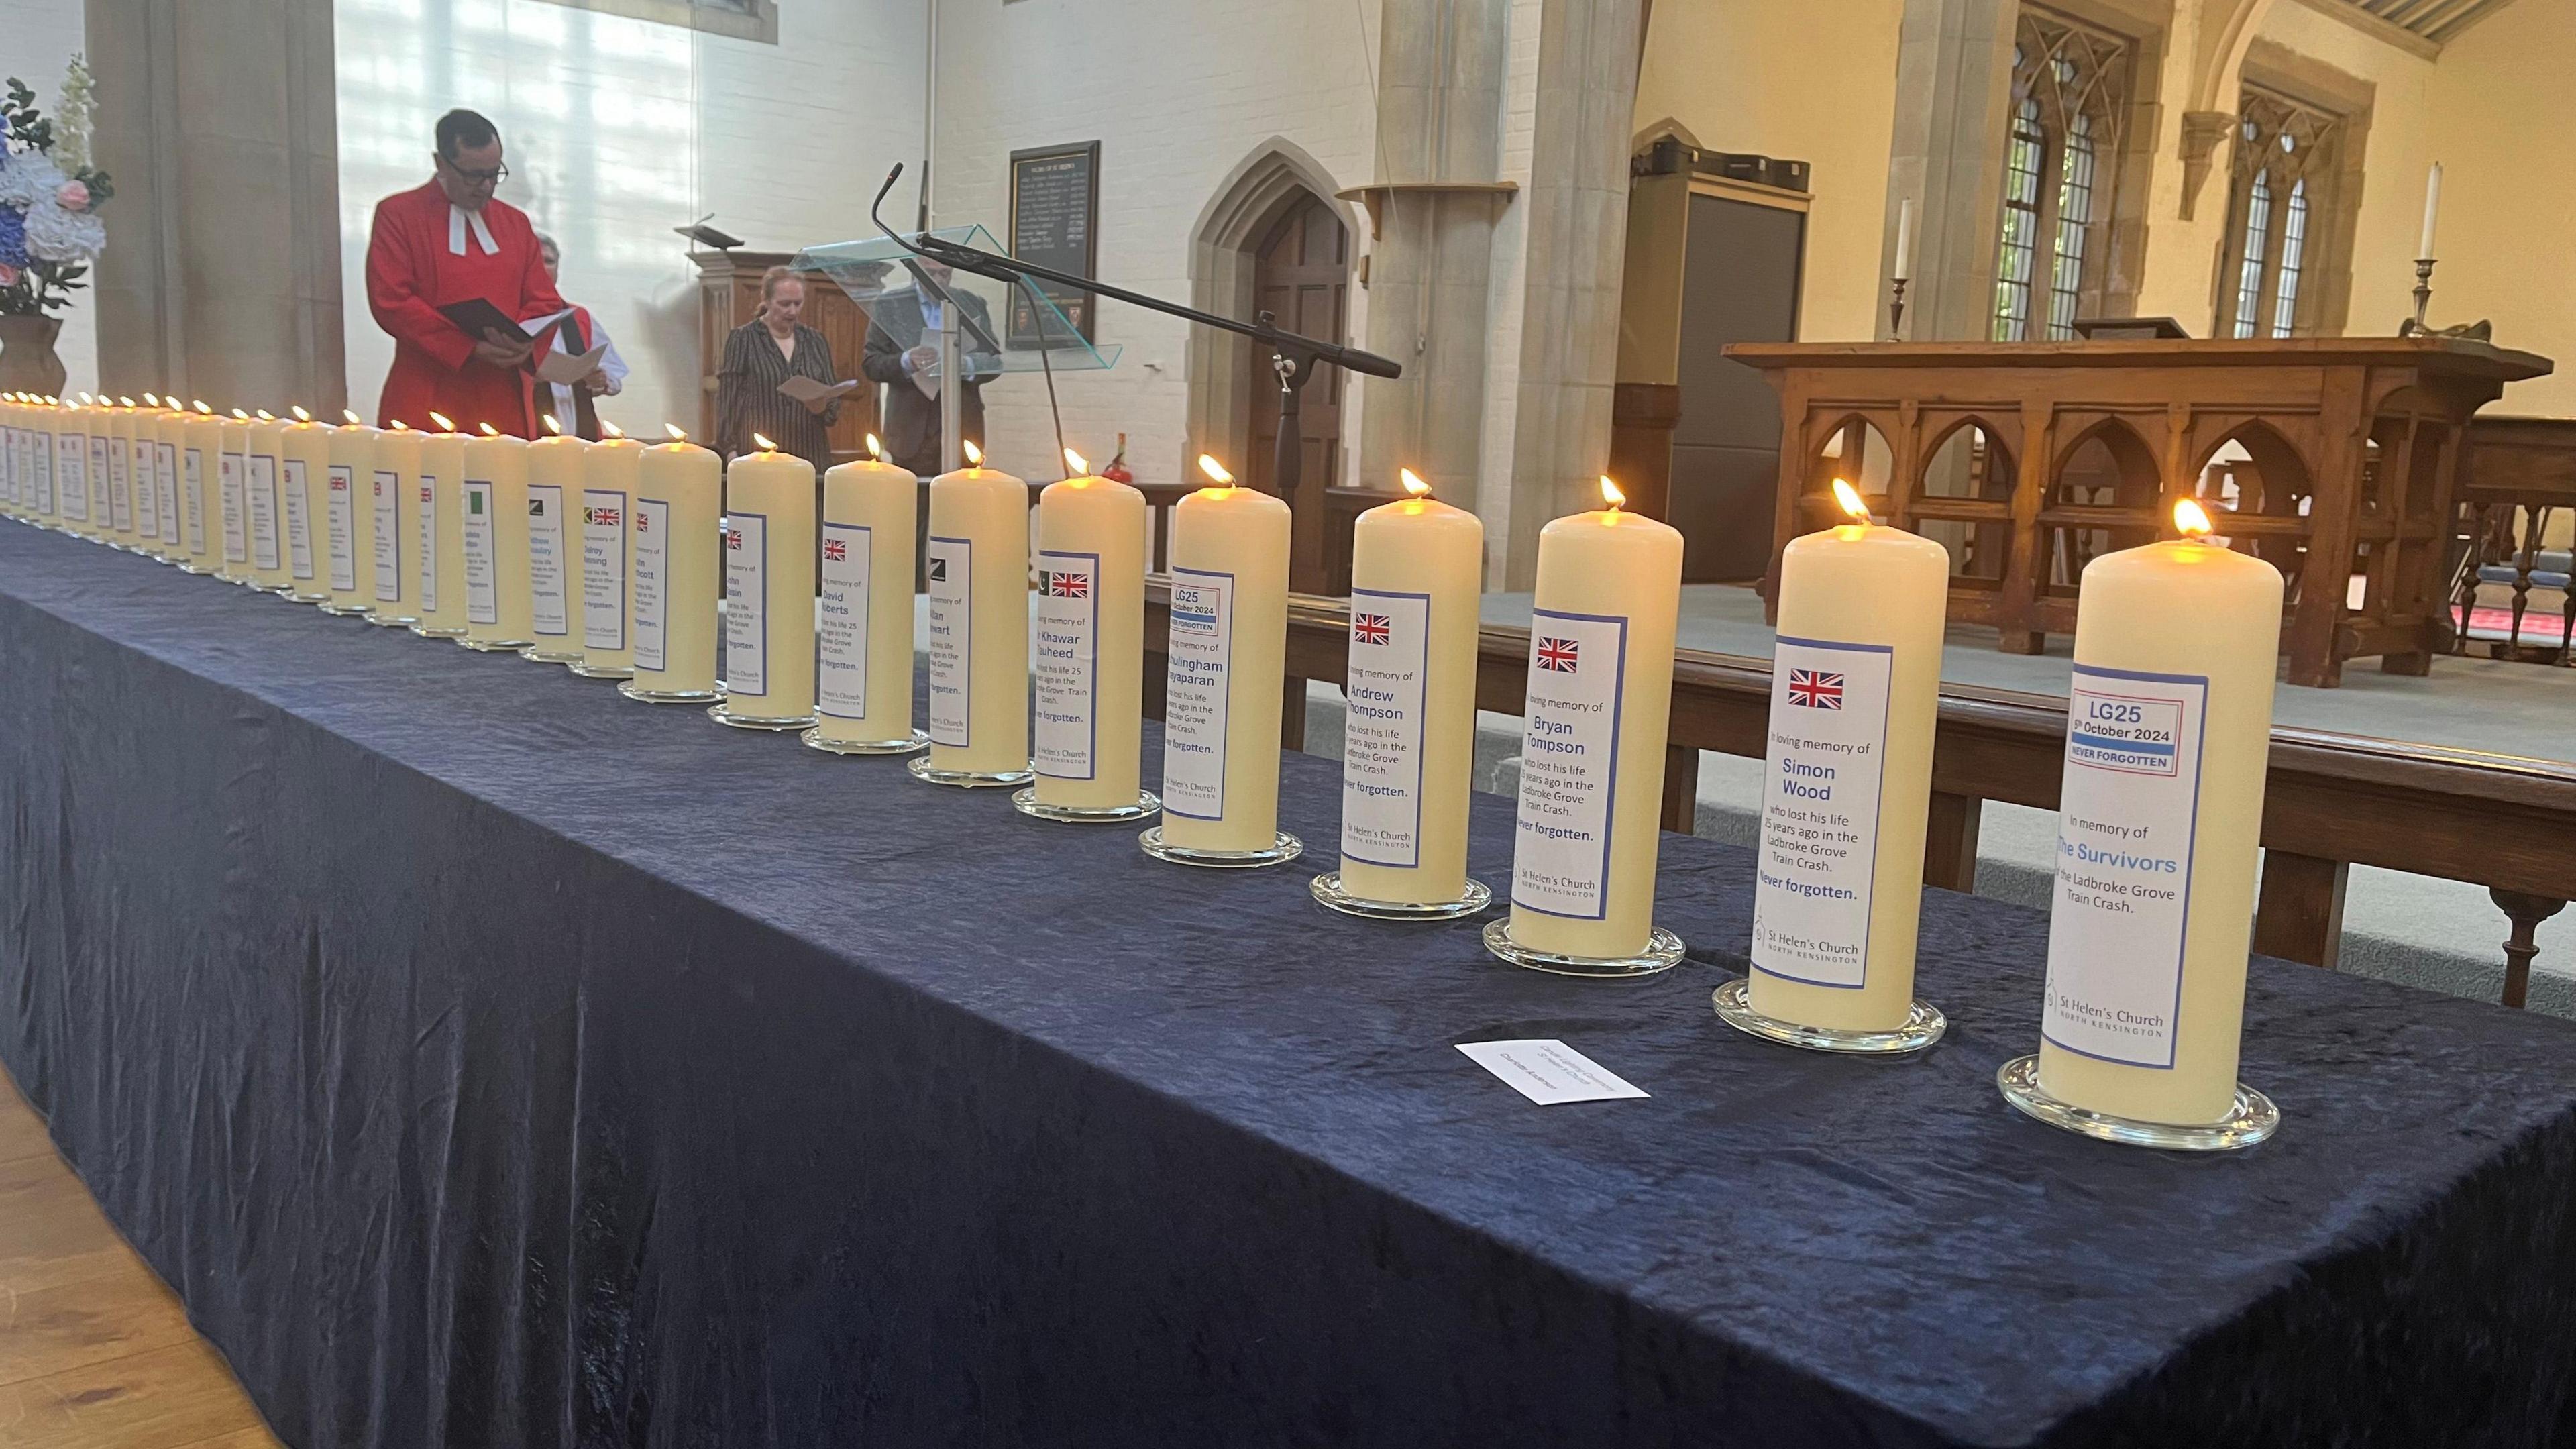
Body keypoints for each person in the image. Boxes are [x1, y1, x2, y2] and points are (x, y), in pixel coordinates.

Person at [364, 109, 566, 437]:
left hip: (502, 392)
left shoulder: (515, 223)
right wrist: (467, 347)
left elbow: (544, 299)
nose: (486, 187)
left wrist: (522, 342)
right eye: (473, 176)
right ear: (441, 163)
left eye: (494, 174)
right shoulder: (399, 214)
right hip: (429, 386)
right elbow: (392, 300)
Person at [861, 258, 999, 476]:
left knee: (961, 504)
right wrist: (906, 360)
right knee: (913, 505)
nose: (938, 281)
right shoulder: (890, 305)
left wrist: (964, 364)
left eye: (945, 274)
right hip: (910, 428)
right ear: (916, 272)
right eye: (930, 274)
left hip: (962, 426)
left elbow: (994, 362)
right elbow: (871, 364)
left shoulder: (972, 303)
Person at [714, 266, 841, 467]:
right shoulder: (743, 339)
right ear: (766, 298)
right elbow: (728, 401)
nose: (792, 311)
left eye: (798, 303)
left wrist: (821, 407)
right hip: (760, 454)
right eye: (784, 304)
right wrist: (730, 451)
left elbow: (833, 401)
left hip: (809, 453)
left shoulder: (815, 340)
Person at [530, 232, 627, 440]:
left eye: (549, 261)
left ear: (558, 268)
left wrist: (601, 379)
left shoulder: (579, 317)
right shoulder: (510, 315)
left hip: (581, 432)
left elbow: (614, 372)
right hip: (529, 433)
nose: (542, 267)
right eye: (535, 260)